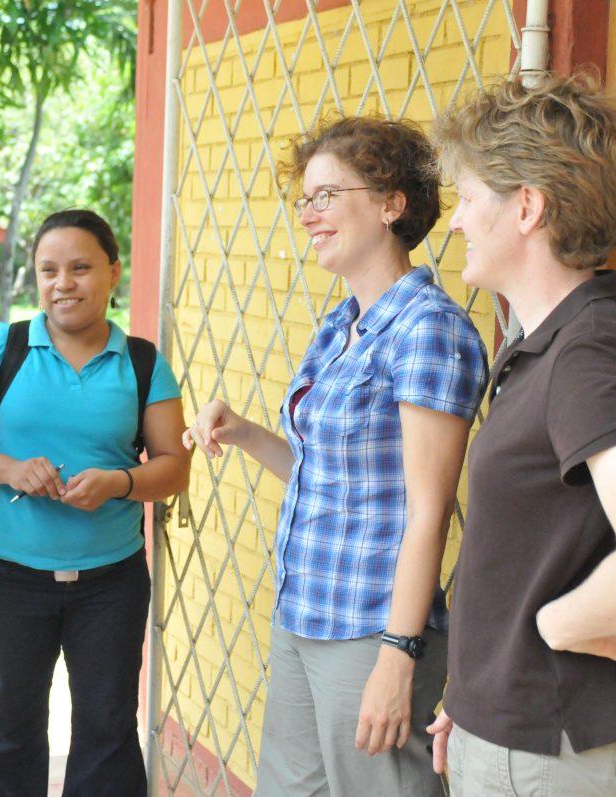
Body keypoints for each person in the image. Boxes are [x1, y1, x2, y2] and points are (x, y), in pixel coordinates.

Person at [184, 117, 488, 796]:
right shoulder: (338, 326)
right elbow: (328, 477)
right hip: (305, 611)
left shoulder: (428, 330)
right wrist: (243, 432)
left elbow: (427, 511)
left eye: (326, 196)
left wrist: (398, 655)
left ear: (391, 204)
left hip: (370, 628)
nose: (309, 215)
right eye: (305, 200)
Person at [427, 74, 616, 796]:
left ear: (527, 207)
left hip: (555, 757)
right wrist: (472, 696)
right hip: (518, 737)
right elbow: (522, 554)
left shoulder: (588, 350)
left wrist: (558, 624)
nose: (455, 221)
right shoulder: (549, 344)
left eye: (468, 197)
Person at [0, 209, 191, 796]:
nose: (62, 283)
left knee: (107, 729)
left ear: (112, 273)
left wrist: (119, 483)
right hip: (11, 578)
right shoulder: (7, 344)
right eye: (48, 270)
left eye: (79, 268)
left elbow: (174, 467)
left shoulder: (143, 362)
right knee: (9, 725)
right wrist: (12, 470)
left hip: (110, 583)